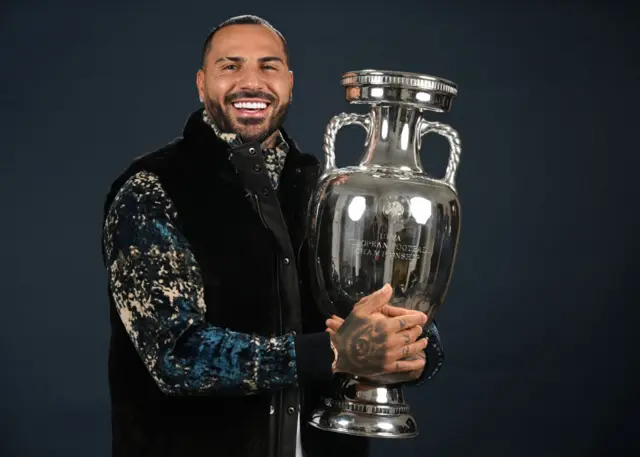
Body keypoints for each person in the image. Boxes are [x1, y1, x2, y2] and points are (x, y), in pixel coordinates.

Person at [100, 14, 445, 457]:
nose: (252, 82)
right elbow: (175, 355)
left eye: (268, 66)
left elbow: (391, 303)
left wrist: (412, 353)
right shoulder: (151, 189)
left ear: (289, 81)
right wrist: (335, 353)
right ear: (202, 83)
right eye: (230, 66)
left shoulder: (329, 191)